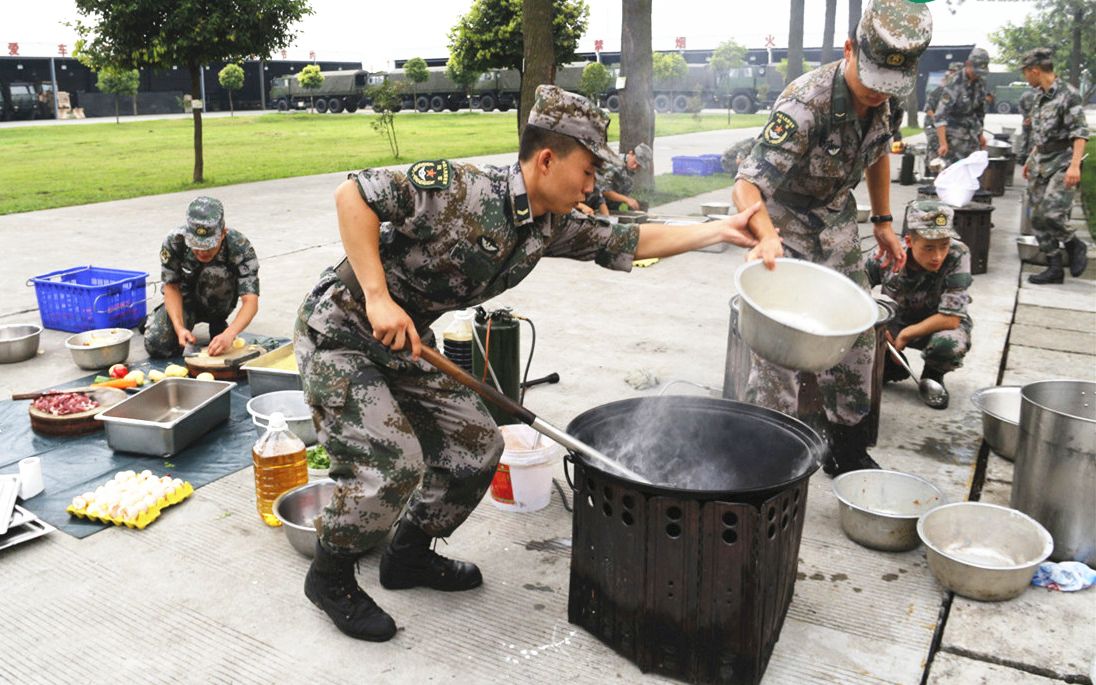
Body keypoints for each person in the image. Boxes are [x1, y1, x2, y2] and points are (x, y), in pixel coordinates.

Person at [293, 85, 762, 642]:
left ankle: (408, 555)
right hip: (342, 327)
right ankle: (330, 576)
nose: (593, 186)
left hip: (404, 340)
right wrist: (376, 294)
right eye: (587, 171)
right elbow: (354, 196)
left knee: (479, 446)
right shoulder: (461, 190)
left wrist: (719, 230)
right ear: (546, 159)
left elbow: (630, 239)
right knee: (392, 462)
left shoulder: (549, 225)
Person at [731, 0, 932, 477]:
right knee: (779, 343)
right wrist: (764, 236)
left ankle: (846, 447)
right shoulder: (807, 103)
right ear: (849, 51)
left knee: (858, 332)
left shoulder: (888, 94)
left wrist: (882, 219)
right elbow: (746, 184)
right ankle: (767, 450)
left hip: (836, 218)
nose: (878, 95)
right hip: (781, 218)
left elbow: (878, 152)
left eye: (890, 87)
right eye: (872, 83)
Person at [868, 201, 972, 410]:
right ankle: (890, 365)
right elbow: (854, 290)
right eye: (928, 247)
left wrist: (906, 334)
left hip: (937, 324)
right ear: (909, 241)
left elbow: (951, 318)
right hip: (895, 321)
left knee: (949, 343)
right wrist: (878, 322)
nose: (938, 256)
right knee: (858, 331)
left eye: (944, 245)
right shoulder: (888, 253)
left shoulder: (958, 254)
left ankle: (933, 374)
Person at [144, 196, 260, 358]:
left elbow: (251, 301)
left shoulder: (240, 246)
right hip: (185, 302)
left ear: (223, 234)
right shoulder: (174, 241)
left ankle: (217, 323)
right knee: (157, 345)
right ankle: (162, 319)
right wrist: (179, 328)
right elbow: (171, 286)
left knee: (215, 273)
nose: (202, 252)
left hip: (219, 302)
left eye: (208, 246)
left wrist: (230, 333)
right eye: (196, 245)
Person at [1020, 47, 1090, 284]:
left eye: (1025, 73)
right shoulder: (1040, 97)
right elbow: (1040, 136)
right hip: (1041, 163)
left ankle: (1074, 244)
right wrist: (1031, 159)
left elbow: (1079, 133)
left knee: (1050, 212)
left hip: (1063, 162)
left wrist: (1074, 166)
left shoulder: (1068, 95)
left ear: (1035, 71)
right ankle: (1054, 266)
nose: (1025, 78)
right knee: (1037, 217)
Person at [935, 47, 989, 164]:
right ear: (968, 64)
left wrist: (980, 134)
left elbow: (980, 112)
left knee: (971, 175)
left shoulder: (980, 83)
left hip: (972, 139)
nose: (977, 75)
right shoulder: (954, 82)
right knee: (953, 176)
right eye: (976, 71)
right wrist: (943, 143)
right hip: (954, 141)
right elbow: (940, 115)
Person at [923, 62, 962, 174]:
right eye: (954, 72)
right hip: (932, 124)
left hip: (946, 125)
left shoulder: (958, 91)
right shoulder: (939, 90)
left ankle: (945, 171)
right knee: (935, 144)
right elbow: (928, 108)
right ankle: (931, 172)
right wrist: (938, 119)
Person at [599, 142, 652, 211]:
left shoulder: (629, 170)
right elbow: (604, 190)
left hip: (612, 209)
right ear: (631, 153)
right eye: (635, 162)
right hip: (599, 207)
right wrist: (626, 200)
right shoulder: (614, 164)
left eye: (639, 166)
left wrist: (633, 202)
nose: (635, 166)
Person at [1016, 87, 1037, 163]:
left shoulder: (1024, 94)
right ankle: (1029, 157)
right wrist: (1030, 118)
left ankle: (1021, 157)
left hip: (1026, 120)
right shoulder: (1039, 94)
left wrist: (1025, 117)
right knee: (1032, 139)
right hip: (1035, 120)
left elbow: (1020, 106)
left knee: (1025, 138)